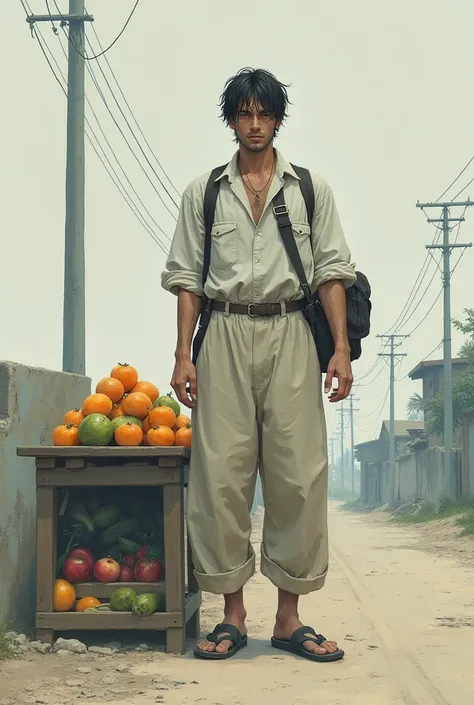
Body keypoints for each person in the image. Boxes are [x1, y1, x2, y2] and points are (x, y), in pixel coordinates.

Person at [161, 67, 356, 662]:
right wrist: (181, 355)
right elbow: (188, 280)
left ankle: (290, 618)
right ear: (230, 121)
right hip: (222, 334)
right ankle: (232, 616)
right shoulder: (206, 192)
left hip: (293, 333)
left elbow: (330, 273)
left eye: (263, 114)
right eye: (243, 114)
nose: (253, 124)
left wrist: (341, 349)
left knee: (298, 474)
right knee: (223, 478)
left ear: (276, 120)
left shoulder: (310, 191)